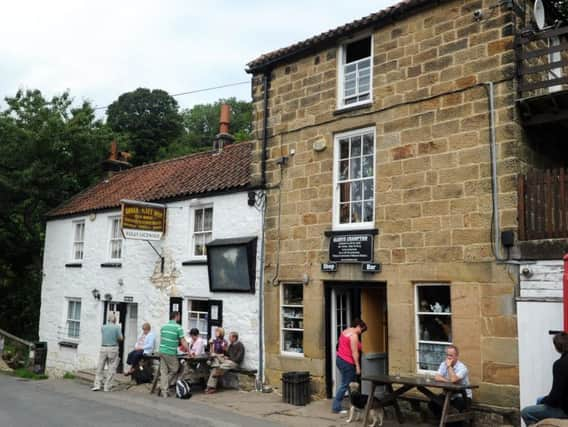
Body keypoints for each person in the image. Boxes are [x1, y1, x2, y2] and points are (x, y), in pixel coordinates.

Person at [521, 332, 568, 426]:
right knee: (539, 399)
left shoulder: (560, 364)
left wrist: (544, 401)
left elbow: (555, 397)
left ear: (557, 348)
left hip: (565, 410)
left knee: (526, 412)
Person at [428, 345, 471, 426]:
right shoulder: (443, 364)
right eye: (447, 355)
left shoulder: (462, 367)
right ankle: (443, 421)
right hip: (448, 394)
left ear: (457, 356)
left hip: (462, 396)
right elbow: (437, 377)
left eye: (451, 355)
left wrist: (449, 366)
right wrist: (448, 381)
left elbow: (454, 379)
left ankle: (452, 424)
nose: (448, 357)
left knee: (454, 409)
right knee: (432, 403)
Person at [332, 319, 367, 414]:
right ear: (359, 326)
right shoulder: (354, 336)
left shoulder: (346, 331)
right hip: (348, 363)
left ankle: (354, 405)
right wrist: (357, 366)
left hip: (339, 360)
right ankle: (336, 407)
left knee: (350, 384)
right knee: (345, 385)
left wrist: (362, 347)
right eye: (362, 330)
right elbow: (355, 353)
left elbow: (349, 345)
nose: (361, 332)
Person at [92, 312, 123, 392]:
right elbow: (120, 338)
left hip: (103, 347)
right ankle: (107, 386)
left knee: (100, 367)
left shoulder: (103, 327)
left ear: (108, 319)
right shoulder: (117, 327)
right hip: (113, 348)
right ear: (115, 320)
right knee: (111, 367)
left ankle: (97, 385)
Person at [158, 312, 187, 398]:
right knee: (175, 369)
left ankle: (164, 391)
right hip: (170, 351)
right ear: (176, 316)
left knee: (163, 372)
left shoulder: (163, 327)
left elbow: (162, 339)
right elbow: (183, 341)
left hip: (162, 350)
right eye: (179, 316)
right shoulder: (178, 327)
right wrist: (188, 351)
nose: (179, 318)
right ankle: (164, 386)